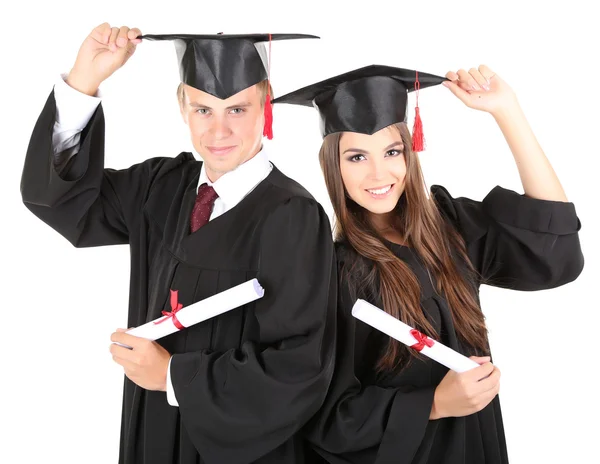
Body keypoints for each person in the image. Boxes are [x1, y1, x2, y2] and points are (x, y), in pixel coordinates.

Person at [20, 23, 337, 464]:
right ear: (182, 107)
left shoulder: (293, 215)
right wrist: (84, 81)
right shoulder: (161, 187)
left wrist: (172, 375)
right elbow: (64, 204)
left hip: (239, 449)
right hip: (152, 432)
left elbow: (301, 367)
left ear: (265, 105)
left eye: (238, 110)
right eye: (203, 110)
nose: (219, 130)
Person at [271, 64, 584, 463]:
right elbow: (328, 419)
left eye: (392, 151)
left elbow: (554, 246)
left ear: (409, 152)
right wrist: (434, 403)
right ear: (334, 167)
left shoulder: (450, 226)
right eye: (356, 157)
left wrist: (508, 111)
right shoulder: (332, 274)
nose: (379, 173)